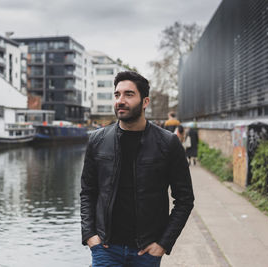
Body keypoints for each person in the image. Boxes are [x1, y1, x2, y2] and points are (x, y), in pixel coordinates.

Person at [80, 71, 194, 267]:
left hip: (146, 252)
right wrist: (90, 236)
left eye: (128, 94)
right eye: (117, 95)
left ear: (145, 101)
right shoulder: (97, 140)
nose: (120, 100)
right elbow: (88, 192)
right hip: (106, 250)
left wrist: (163, 244)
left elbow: (185, 199)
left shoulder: (168, 143)